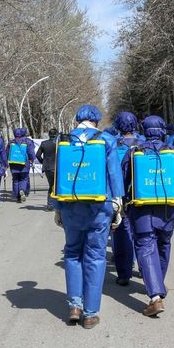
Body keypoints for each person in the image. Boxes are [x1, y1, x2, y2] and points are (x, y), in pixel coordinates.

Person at [54, 104, 124, 329]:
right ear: (96, 120)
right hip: (99, 207)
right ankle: (90, 313)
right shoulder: (107, 140)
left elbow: (58, 176)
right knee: (95, 256)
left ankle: (74, 304)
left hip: (70, 206)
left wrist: (57, 208)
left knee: (72, 253)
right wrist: (118, 204)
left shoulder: (64, 140)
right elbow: (114, 173)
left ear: (78, 119)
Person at [121, 115, 174, 316]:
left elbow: (124, 178)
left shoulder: (134, 152)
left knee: (145, 245)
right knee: (163, 244)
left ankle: (155, 296)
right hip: (168, 208)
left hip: (142, 208)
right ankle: (158, 285)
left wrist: (123, 202)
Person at [112, 111, 144, 286]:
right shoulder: (143, 143)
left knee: (121, 232)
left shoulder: (112, 144)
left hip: (119, 194)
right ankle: (144, 268)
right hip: (140, 193)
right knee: (141, 233)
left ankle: (124, 273)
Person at [8, 127, 36, 203]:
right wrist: (32, 160)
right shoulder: (27, 141)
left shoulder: (11, 142)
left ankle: (17, 197)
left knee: (15, 179)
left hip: (13, 164)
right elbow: (31, 152)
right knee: (24, 178)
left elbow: (7, 153)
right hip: (24, 164)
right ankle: (22, 190)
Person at [36, 128, 58, 210]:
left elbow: (37, 155)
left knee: (51, 185)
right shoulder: (59, 144)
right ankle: (57, 205)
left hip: (48, 167)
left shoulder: (44, 143)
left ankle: (50, 205)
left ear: (49, 134)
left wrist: (43, 162)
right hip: (57, 167)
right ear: (56, 135)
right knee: (57, 186)